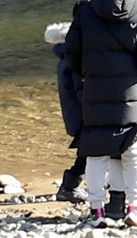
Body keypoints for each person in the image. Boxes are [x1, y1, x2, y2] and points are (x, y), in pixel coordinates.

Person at [63, 0, 137, 228]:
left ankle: (97, 212)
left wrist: (89, 71)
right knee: (132, 154)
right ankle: (133, 208)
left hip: (95, 94)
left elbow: (71, 54)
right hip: (130, 96)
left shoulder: (86, 12)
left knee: (96, 154)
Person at [44, 20, 86, 203]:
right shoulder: (74, 60)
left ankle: (70, 186)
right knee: (90, 151)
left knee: (89, 151)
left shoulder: (65, 58)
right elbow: (82, 89)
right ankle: (69, 186)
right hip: (85, 113)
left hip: (75, 114)